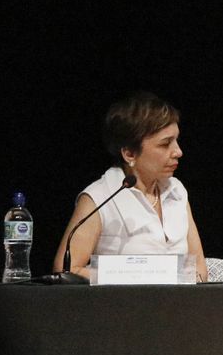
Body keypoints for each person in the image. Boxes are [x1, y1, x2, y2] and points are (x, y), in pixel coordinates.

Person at [53, 90, 208, 281]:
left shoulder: (177, 191)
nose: (178, 152)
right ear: (129, 154)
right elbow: (66, 271)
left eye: (176, 140)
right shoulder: (100, 197)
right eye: (165, 144)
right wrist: (135, 276)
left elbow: (199, 268)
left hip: (180, 306)